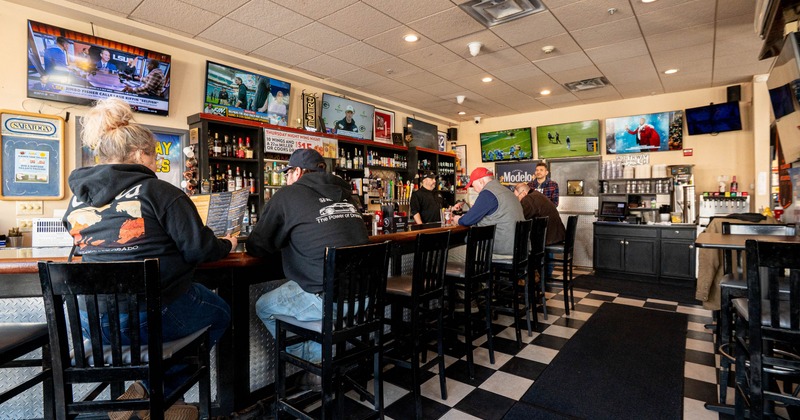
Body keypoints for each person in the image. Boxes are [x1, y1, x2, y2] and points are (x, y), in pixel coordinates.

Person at [62, 97, 236, 413]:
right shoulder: (160, 192)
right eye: (155, 156)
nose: (156, 164)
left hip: (89, 322)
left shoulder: (76, 202)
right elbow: (200, 249)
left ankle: (146, 395)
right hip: (148, 318)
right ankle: (158, 391)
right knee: (221, 312)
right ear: (141, 154)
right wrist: (228, 244)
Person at [247, 148, 368, 369]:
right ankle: (324, 360)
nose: (287, 178)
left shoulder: (288, 194)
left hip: (328, 301)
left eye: (288, 173)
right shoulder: (347, 194)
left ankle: (313, 363)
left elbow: (257, 246)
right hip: (366, 298)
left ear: (299, 171)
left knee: (264, 306)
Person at [452, 167, 524, 261]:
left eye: (473, 186)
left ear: (481, 181)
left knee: (445, 255)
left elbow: (466, 220)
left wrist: (457, 219)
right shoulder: (507, 191)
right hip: (519, 248)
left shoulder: (488, 193)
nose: (474, 189)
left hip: (500, 250)